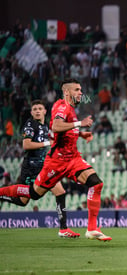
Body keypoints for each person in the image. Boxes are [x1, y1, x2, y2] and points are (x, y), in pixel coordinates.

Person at [0, 79, 111, 241]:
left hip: (73, 159)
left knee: (96, 183)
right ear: (67, 92)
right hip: (57, 163)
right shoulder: (62, 106)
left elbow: (60, 132)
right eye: (77, 90)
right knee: (33, 194)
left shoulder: (70, 109)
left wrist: (81, 133)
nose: (81, 92)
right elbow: (57, 126)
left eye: (80, 90)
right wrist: (81, 124)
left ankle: (92, 228)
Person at [0, 100, 80, 238]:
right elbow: (26, 145)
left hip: (44, 167)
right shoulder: (31, 124)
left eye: (40, 108)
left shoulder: (45, 127)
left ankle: (63, 229)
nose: (37, 111)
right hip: (31, 167)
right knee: (23, 201)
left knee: (60, 191)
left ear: (44, 111)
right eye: (34, 109)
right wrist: (48, 142)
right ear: (31, 112)